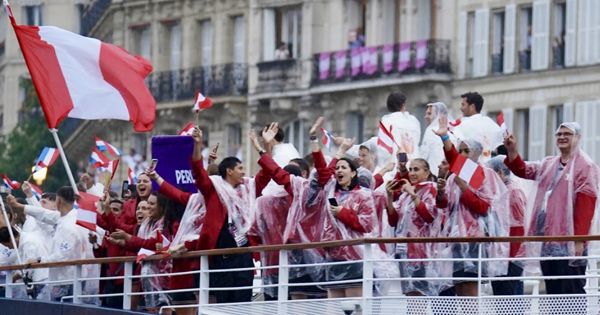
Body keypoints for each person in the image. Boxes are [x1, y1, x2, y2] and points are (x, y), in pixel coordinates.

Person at [503, 122, 599, 294]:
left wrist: (579, 241)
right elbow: (524, 170)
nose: (562, 137)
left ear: (578, 138)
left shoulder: (586, 166)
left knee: (571, 289)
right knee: (552, 289)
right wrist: (511, 151)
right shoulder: (548, 163)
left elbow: (586, 204)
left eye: (567, 134)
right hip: (547, 238)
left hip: (570, 242)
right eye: (559, 134)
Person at [433, 116, 510, 297]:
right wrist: (441, 193)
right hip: (455, 237)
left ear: (476, 153)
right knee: (459, 287)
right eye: (460, 151)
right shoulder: (454, 176)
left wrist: (464, 188)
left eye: (466, 151)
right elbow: (445, 207)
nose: (462, 154)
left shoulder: (483, 173)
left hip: (475, 237)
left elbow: (484, 207)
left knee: (469, 288)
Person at [7, 187, 99, 303]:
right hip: (69, 278)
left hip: (66, 281)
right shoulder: (72, 216)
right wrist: (20, 207)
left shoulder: (68, 227)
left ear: (58, 201)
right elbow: (44, 214)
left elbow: (61, 256)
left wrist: (39, 260)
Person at [385, 158, 439, 297]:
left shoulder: (432, 188)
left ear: (426, 172)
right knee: (410, 294)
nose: (412, 173)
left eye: (416, 169)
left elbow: (429, 216)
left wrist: (413, 195)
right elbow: (393, 221)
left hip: (423, 252)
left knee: (424, 293)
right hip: (405, 251)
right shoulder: (405, 195)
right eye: (410, 169)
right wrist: (390, 198)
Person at [487, 156, 526, 296]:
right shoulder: (503, 191)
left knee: (507, 294)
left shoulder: (512, 192)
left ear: (499, 173)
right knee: (502, 293)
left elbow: (518, 226)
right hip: (504, 252)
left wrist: (512, 257)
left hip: (510, 254)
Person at [451, 92, 504, 162]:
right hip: (487, 167)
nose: (461, 108)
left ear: (472, 107)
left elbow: (453, 148)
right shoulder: (490, 123)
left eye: (463, 105)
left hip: (470, 167)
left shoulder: (463, 125)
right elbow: (501, 147)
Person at [0, 226, 50, 300]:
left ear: (11, 239)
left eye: (8, 245)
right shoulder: (23, 241)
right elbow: (10, 258)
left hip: (40, 282)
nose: (9, 248)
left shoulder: (28, 243)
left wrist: (13, 279)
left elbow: (29, 266)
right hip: (36, 282)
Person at [381, 92, 421, 160]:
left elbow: (383, 147)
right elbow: (417, 140)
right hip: (414, 160)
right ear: (403, 105)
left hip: (394, 162)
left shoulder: (385, 121)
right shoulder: (413, 120)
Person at [420, 102, 452, 176]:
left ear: (438, 114)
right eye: (426, 114)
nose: (425, 117)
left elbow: (423, 155)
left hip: (434, 172)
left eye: (429, 114)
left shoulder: (431, 130)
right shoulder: (455, 129)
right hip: (449, 173)